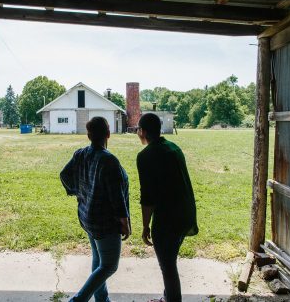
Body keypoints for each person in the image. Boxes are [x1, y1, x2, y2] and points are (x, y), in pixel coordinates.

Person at [60, 116, 131, 302]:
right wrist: (125, 223)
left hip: (87, 217)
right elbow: (117, 198)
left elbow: (64, 175)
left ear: (88, 135)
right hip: (105, 223)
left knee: (98, 259)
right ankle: (78, 300)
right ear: (108, 134)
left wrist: (79, 193)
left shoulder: (80, 154)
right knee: (109, 266)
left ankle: (102, 299)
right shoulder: (109, 161)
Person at [136, 113, 198, 302]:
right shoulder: (174, 148)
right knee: (170, 262)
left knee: (168, 267)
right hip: (185, 214)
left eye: (138, 130)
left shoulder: (145, 156)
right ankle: (167, 298)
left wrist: (146, 226)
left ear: (143, 132)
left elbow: (147, 197)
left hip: (167, 220)